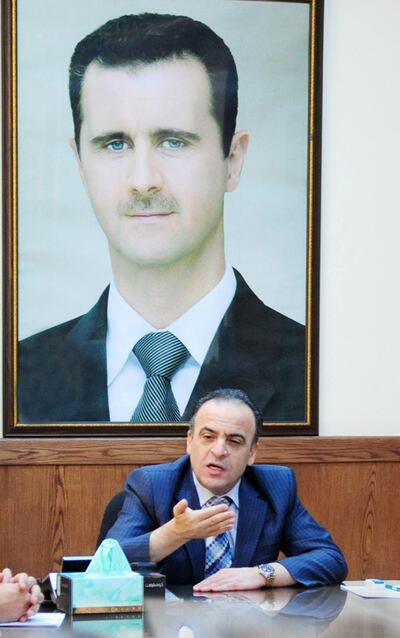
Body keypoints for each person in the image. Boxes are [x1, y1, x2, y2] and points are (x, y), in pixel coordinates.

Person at [18, 13, 305, 425]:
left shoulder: (312, 370)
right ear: (80, 163)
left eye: (173, 142)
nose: (143, 181)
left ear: (233, 160)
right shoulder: (19, 377)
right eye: (115, 144)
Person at [106, 388, 347, 589]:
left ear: (252, 453)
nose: (219, 450)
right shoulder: (152, 485)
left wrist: (262, 574)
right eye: (208, 437)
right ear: (190, 441)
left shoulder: (276, 487)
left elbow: (330, 558)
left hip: (245, 622)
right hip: (169, 622)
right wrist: (176, 533)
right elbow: (107, 564)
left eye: (234, 441)